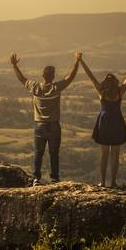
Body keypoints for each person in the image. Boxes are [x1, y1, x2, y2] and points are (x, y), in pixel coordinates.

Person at [78, 51, 126, 188]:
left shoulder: (101, 91)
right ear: (115, 82)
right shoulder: (120, 91)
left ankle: (103, 182)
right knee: (115, 154)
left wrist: (81, 61)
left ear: (105, 83)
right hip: (117, 122)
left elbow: (90, 76)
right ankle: (113, 182)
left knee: (104, 154)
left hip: (104, 123)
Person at [10, 51, 81, 186]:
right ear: (53, 76)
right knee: (54, 153)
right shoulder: (56, 87)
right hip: (54, 126)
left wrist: (14, 66)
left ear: (42, 75)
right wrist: (77, 62)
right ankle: (54, 178)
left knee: (39, 153)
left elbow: (22, 79)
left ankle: (36, 178)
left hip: (39, 126)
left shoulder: (35, 87)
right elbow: (70, 77)